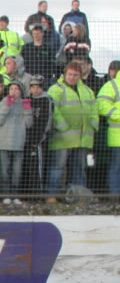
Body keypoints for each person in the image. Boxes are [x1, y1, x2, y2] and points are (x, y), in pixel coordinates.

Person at [46, 61, 97, 200]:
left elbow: (94, 109)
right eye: (70, 74)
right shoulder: (55, 90)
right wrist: (63, 126)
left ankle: (79, 196)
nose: (72, 77)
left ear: (80, 76)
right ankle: (52, 195)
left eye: (75, 75)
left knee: (79, 169)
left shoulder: (87, 91)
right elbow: (53, 110)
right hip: (62, 138)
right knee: (57, 168)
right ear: (65, 74)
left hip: (82, 138)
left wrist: (93, 124)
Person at [0, 81, 33, 204]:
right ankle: (5, 195)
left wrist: (27, 110)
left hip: (19, 142)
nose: (14, 91)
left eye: (16, 89)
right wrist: (7, 106)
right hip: (4, 142)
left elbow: (29, 124)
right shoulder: (3, 102)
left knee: (17, 171)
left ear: (21, 91)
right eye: (11, 89)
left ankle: (15, 195)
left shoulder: (24, 103)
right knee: (4, 171)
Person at [23, 77, 53, 197]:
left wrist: (39, 138)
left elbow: (46, 119)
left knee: (38, 166)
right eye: (33, 87)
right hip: (26, 138)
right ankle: (27, 192)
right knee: (27, 165)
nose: (35, 90)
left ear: (42, 88)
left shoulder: (46, 99)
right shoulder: (27, 99)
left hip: (39, 139)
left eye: (38, 87)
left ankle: (38, 192)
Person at [96, 62, 120, 196]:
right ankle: (115, 196)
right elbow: (101, 105)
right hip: (117, 137)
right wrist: (118, 115)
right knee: (116, 167)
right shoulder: (113, 85)